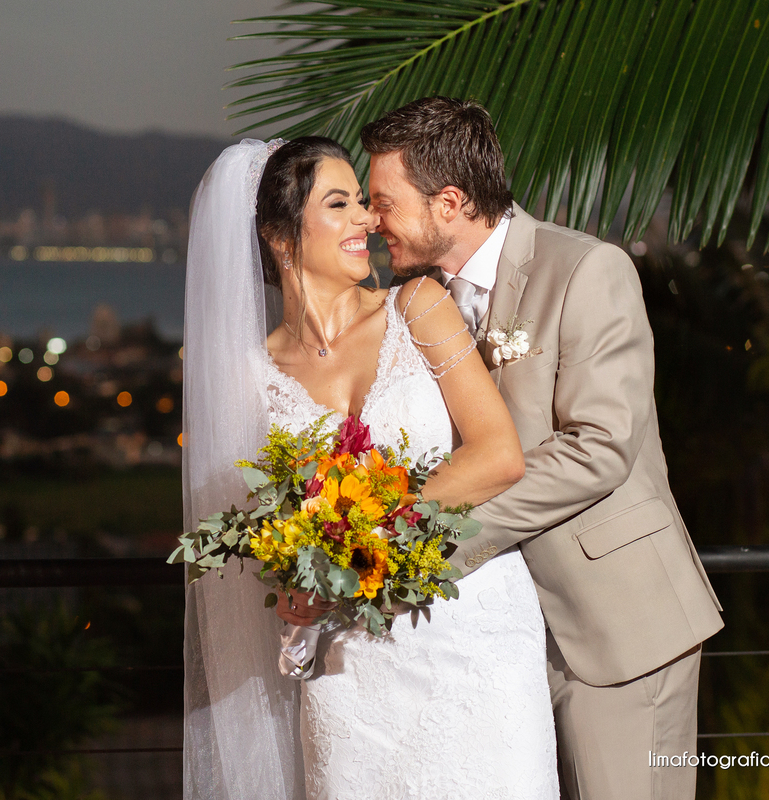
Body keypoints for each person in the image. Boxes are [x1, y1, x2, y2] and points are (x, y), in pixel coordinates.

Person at [359, 96, 725, 799]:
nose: (373, 221)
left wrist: (429, 535)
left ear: (450, 203)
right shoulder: (417, 298)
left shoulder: (587, 269)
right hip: (497, 640)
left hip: (616, 628)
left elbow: (600, 448)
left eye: (384, 201)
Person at [182, 136, 558, 800]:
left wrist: (357, 527)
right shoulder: (248, 377)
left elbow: (498, 456)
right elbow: (263, 532)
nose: (367, 220)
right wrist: (297, 581)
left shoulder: (417, 308)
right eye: (341, 204)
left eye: (363, 202)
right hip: (349, 663)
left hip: (474, 634)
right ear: (279, 237)